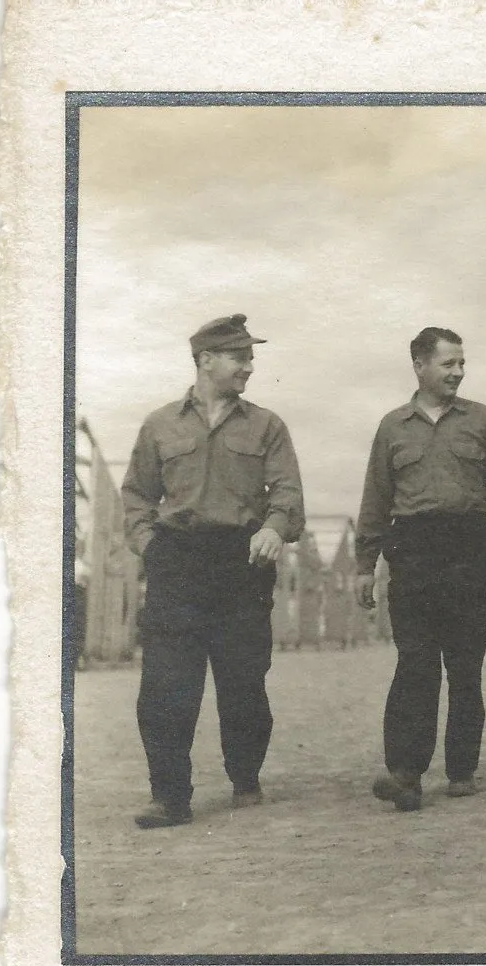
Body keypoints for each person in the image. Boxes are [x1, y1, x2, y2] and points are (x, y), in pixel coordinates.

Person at [121, 314, 305, 830]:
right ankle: (169, 796)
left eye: (250, 357)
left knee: (244, 680)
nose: (249, 366)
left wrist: (273, 527)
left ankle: (244, 774)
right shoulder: (160, 425)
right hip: (176, 561)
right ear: (206, 360)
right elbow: (136, 494)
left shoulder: (267, 426)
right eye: (240, 356)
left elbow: (287, 491)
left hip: (243, 561)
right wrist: (149, 545)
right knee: (165, 683)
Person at [355, 327, 486, 812]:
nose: (458, 372)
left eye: (461, 363)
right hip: (411, 549)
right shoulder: (392, 428)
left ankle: (462, 768)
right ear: (420, 365)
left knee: (465, 665)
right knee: (415, 661)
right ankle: (405, 773)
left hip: (470, 546)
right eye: (448, 363)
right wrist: (366, 564)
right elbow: (375, 500)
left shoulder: (481, 420)